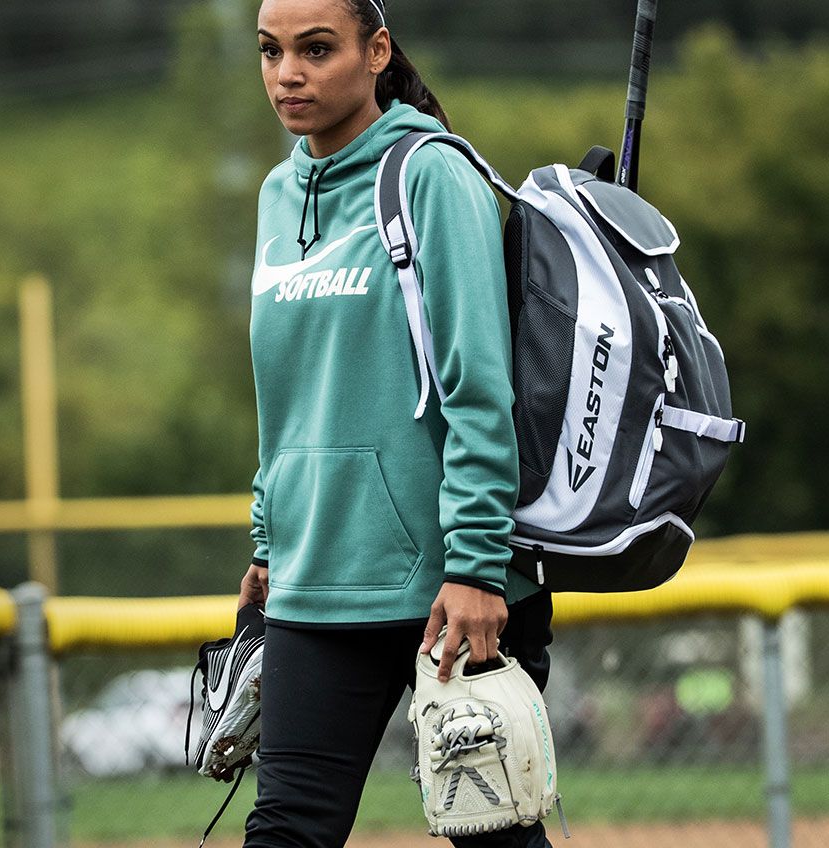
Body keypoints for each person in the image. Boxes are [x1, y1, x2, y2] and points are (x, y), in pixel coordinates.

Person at [239, 1, 554, 846]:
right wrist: (270, 542)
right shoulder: (276, 194)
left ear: (377, 51)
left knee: (495, 839)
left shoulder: (429, 174)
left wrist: (481, 569)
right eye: (270, 52)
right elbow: (286, 395)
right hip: (315, 584)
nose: (287, 74)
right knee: (285, 831)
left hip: (450, 590)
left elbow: (479, 390)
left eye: (316, 49)